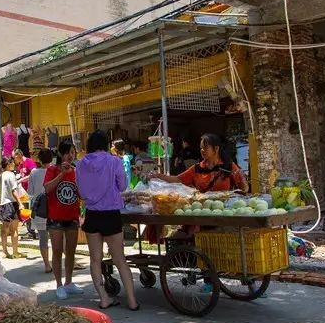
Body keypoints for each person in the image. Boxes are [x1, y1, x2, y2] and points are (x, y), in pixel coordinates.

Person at [77, 131, 139, 311]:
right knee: (120, 260)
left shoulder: (80, 164)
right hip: (111, 214)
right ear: (105, 144)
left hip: (92, 214)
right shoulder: (114, 161)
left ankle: (104, 298)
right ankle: (133, 301)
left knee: (96, 260)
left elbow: (81, 192)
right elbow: (123, 186)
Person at [44, 142, 82, 299]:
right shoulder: (52, 169)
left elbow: (81, 192)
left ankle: (69, 282)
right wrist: (61, 174)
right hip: (56, 218)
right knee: (57, 251)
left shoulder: (76, 172)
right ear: (60, 154)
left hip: (72, 216)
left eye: (72, 152)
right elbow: (47, 188)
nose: (70, 155)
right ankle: (59, 285)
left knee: (71, 252)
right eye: (67, 152)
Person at [153, 133, 248, 193]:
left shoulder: (229, 166)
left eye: (205, 147)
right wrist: (158, 176)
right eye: (201, 148)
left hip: (224, 213)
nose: (202, 150)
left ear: (216, 148)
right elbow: (178, 179)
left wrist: (242, 178)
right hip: (202, 211)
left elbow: (244, 189)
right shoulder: (197, 168)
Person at [26, 150, 53, 272]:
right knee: (59, 237)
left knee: (43, 238)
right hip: (54, 207)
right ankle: (67, 262)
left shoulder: (34, 172)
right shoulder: (55, 170)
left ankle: (47, 265)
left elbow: (30, 193)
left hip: (40, 208)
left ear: (40, 160)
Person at [0, 158, 25, 260]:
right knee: (14, 229)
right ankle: (15, 251)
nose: (14, 164)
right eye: (12, 163)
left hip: (3, 204)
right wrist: (20, 203)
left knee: (4, 230)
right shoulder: (11, 175)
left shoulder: (1, 176)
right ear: (9, 164)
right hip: (12, 204)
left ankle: (5, 251)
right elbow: (14, 191)